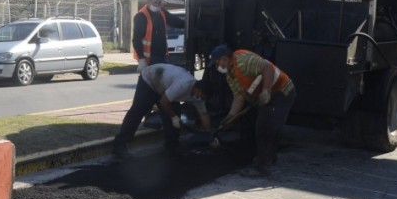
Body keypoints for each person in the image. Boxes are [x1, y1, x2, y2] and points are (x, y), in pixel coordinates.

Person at [209, 44, 296, 177]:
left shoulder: (242, 60)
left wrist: (266, 91)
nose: (217, 67)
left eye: (217, 63)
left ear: (224, 59)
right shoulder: (230, 76)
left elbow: (267, 67)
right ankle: (269, 158)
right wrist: (230, 117)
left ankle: (262, 167)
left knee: (264, 127)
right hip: (266, 95)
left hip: (281, 90)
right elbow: (239, 97)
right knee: (264, 126)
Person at [112, 63, 214, 159]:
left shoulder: (198, 97)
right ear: (197, 88)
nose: (199, 97)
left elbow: (203, 114)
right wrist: (173, 117)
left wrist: (210, 136)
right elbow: (164, 102)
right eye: (200, 94)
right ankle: (119, 146)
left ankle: (172, 146)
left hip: (166, 87)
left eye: (202, 97)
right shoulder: (183, 85)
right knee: (137, 112)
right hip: (150, 79)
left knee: (173, 118)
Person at [132, 0, 184, 73]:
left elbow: (175, 21)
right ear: (148, 1)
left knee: (161, 82)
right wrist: (141, 59)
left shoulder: (162, 12)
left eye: (159, 3)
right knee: (150, 83)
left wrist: (187, 24)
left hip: (162, 56)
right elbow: (136, 39)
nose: (157, 5)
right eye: (154, 2)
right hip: (149, 59)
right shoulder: (141, 16)